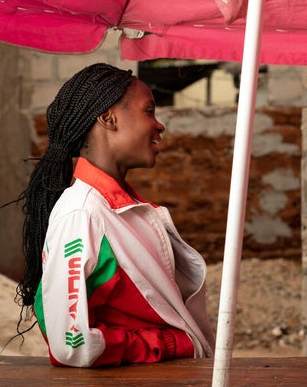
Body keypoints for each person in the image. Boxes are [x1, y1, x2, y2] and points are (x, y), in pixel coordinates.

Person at [16, 63, 214, 367]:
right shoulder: (82, 214)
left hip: (164, 383)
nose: (159, 125)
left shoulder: (119, 207)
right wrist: (169, 344)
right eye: (149, 111)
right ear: (108, 118)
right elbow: (70, 344)